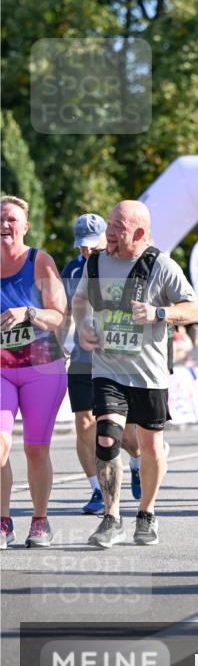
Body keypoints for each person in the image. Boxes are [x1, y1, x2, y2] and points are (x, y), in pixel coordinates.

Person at [73, 200, 198, 547]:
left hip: (148, 374)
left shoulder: (161, 265)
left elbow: (194, 308)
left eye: (118, 227)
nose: (109, 233)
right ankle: (111, 517)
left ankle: (147, 512)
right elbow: (81, 300)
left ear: (140, 233)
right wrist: (83, 324)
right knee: (107, 437)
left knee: (151, 447)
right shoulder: (96, 262)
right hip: (108, 368)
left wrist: (159, 312)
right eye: (109, 225)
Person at [59, 213, 142, 514]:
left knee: (126, 432)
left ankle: (135, 461)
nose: (86, 252)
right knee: (84, 423)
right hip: (82, 356)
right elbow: (65, 311)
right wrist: (58, 347)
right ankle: (97, 488)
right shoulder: (71, 268)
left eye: (91, 246)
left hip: (117, 355)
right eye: (81, 246)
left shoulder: (120, 264)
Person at [1, 196, 67, 548]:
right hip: (1, 370)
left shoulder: (39, 262)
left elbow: (59, 315)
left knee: (35, 449)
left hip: (42, 368)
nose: (4, 223)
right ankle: (3, 521)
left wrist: (29, 312)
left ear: (24, 227)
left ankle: (40, 520)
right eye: (0, 218)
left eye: (11, 218)